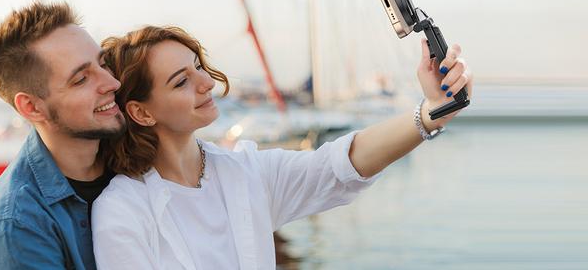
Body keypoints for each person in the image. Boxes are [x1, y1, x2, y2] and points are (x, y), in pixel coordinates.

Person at [91, 25, 474, 269]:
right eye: (180, 81)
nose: (206, 83)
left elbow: (341, 165)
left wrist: (430, 113)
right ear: (141, 112)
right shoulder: (122, 211)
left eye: (198, 67)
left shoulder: (246, 172)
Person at [0, 2, 125, 270]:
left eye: (103, 64)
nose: (113, 83)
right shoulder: (15, 223)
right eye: (81, 80)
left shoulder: (135, 156)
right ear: (32, 107)